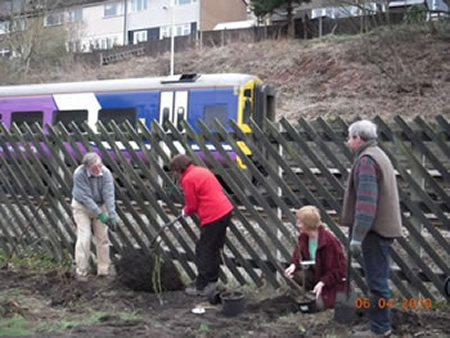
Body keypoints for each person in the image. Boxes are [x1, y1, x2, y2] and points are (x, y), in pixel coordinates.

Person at [341, 120, 402, 337]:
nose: (348, 141)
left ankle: (380, 329)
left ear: (358, 138)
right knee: (379, 279)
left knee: (376, 283)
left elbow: (366, 205)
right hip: (381, 229)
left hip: (375, 232)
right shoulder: (378, 154)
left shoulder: (367, 161)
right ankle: (380, 325)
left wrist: (357, 237)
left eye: (349, 137)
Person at [169, 154, 233, 297]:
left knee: (203, 249)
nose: (174, 174)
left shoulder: (188, 179)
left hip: (213, 215)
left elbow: (192, 205)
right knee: (214, 248)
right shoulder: (201, 170)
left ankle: (202, 285)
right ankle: (212, 281)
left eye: (174, 171)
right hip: (225, 210)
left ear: (178, 169)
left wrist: (184, 211)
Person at [285, 205, 346, 310]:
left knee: (318, 306)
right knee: (295, 275)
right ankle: (308, 294)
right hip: (315, 275)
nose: (297, 225)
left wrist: (322, 283)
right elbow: (298, 255)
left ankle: (322, 296)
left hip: (331, 283)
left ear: (308, 224)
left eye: (299, 222)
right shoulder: (303, 238)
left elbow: (338, 269)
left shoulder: (329, 242)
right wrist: (293, 265)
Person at [71, 152, 118, 281]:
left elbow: (109, 194)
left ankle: (103, 270)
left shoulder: (106, 173)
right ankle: (81, 271)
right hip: (82, 207)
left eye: (99, 166)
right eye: (94, 168)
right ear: (86, 167)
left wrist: (112, 215)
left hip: (100, 205)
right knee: (84, 238)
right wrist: (100, 215)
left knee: (102, 238)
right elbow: (86, 198)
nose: (98, 170)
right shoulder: (79, 174)